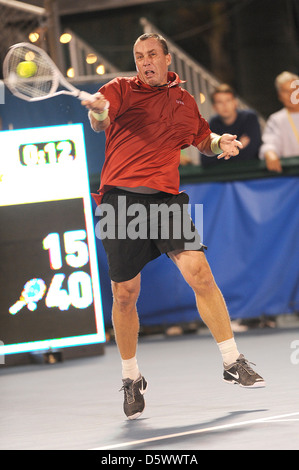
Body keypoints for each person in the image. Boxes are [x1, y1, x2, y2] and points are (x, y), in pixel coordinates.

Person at [82, 33, 265, 420]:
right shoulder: (118, 89)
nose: (145, 61)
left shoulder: (185, 100)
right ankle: (131, 378)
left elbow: (200, 138)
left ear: (167, 59)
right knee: (124, 294)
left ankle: (233, 360)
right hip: (121, 201)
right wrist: (98, 111)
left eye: (152, 55)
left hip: (165, 200)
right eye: (138, 56)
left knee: (199, 272)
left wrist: (220, 143)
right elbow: (100, 121)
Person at [201, 84, 261, 167]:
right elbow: (206, 161)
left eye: (228, 100)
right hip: (223, 176)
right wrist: (239, 148)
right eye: (219, 102)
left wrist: (221, 151)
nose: (225, 105)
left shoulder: (250, 118)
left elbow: (252, 153)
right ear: (214, 107)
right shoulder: (212, 124)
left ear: (235, 102)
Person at [259, 71, 299, 172]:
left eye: (294, 90)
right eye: (286, 91)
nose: (291, 95)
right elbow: (270, 143)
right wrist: (270, 153)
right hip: (291, 174)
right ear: (279, 95)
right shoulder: (276, 119)